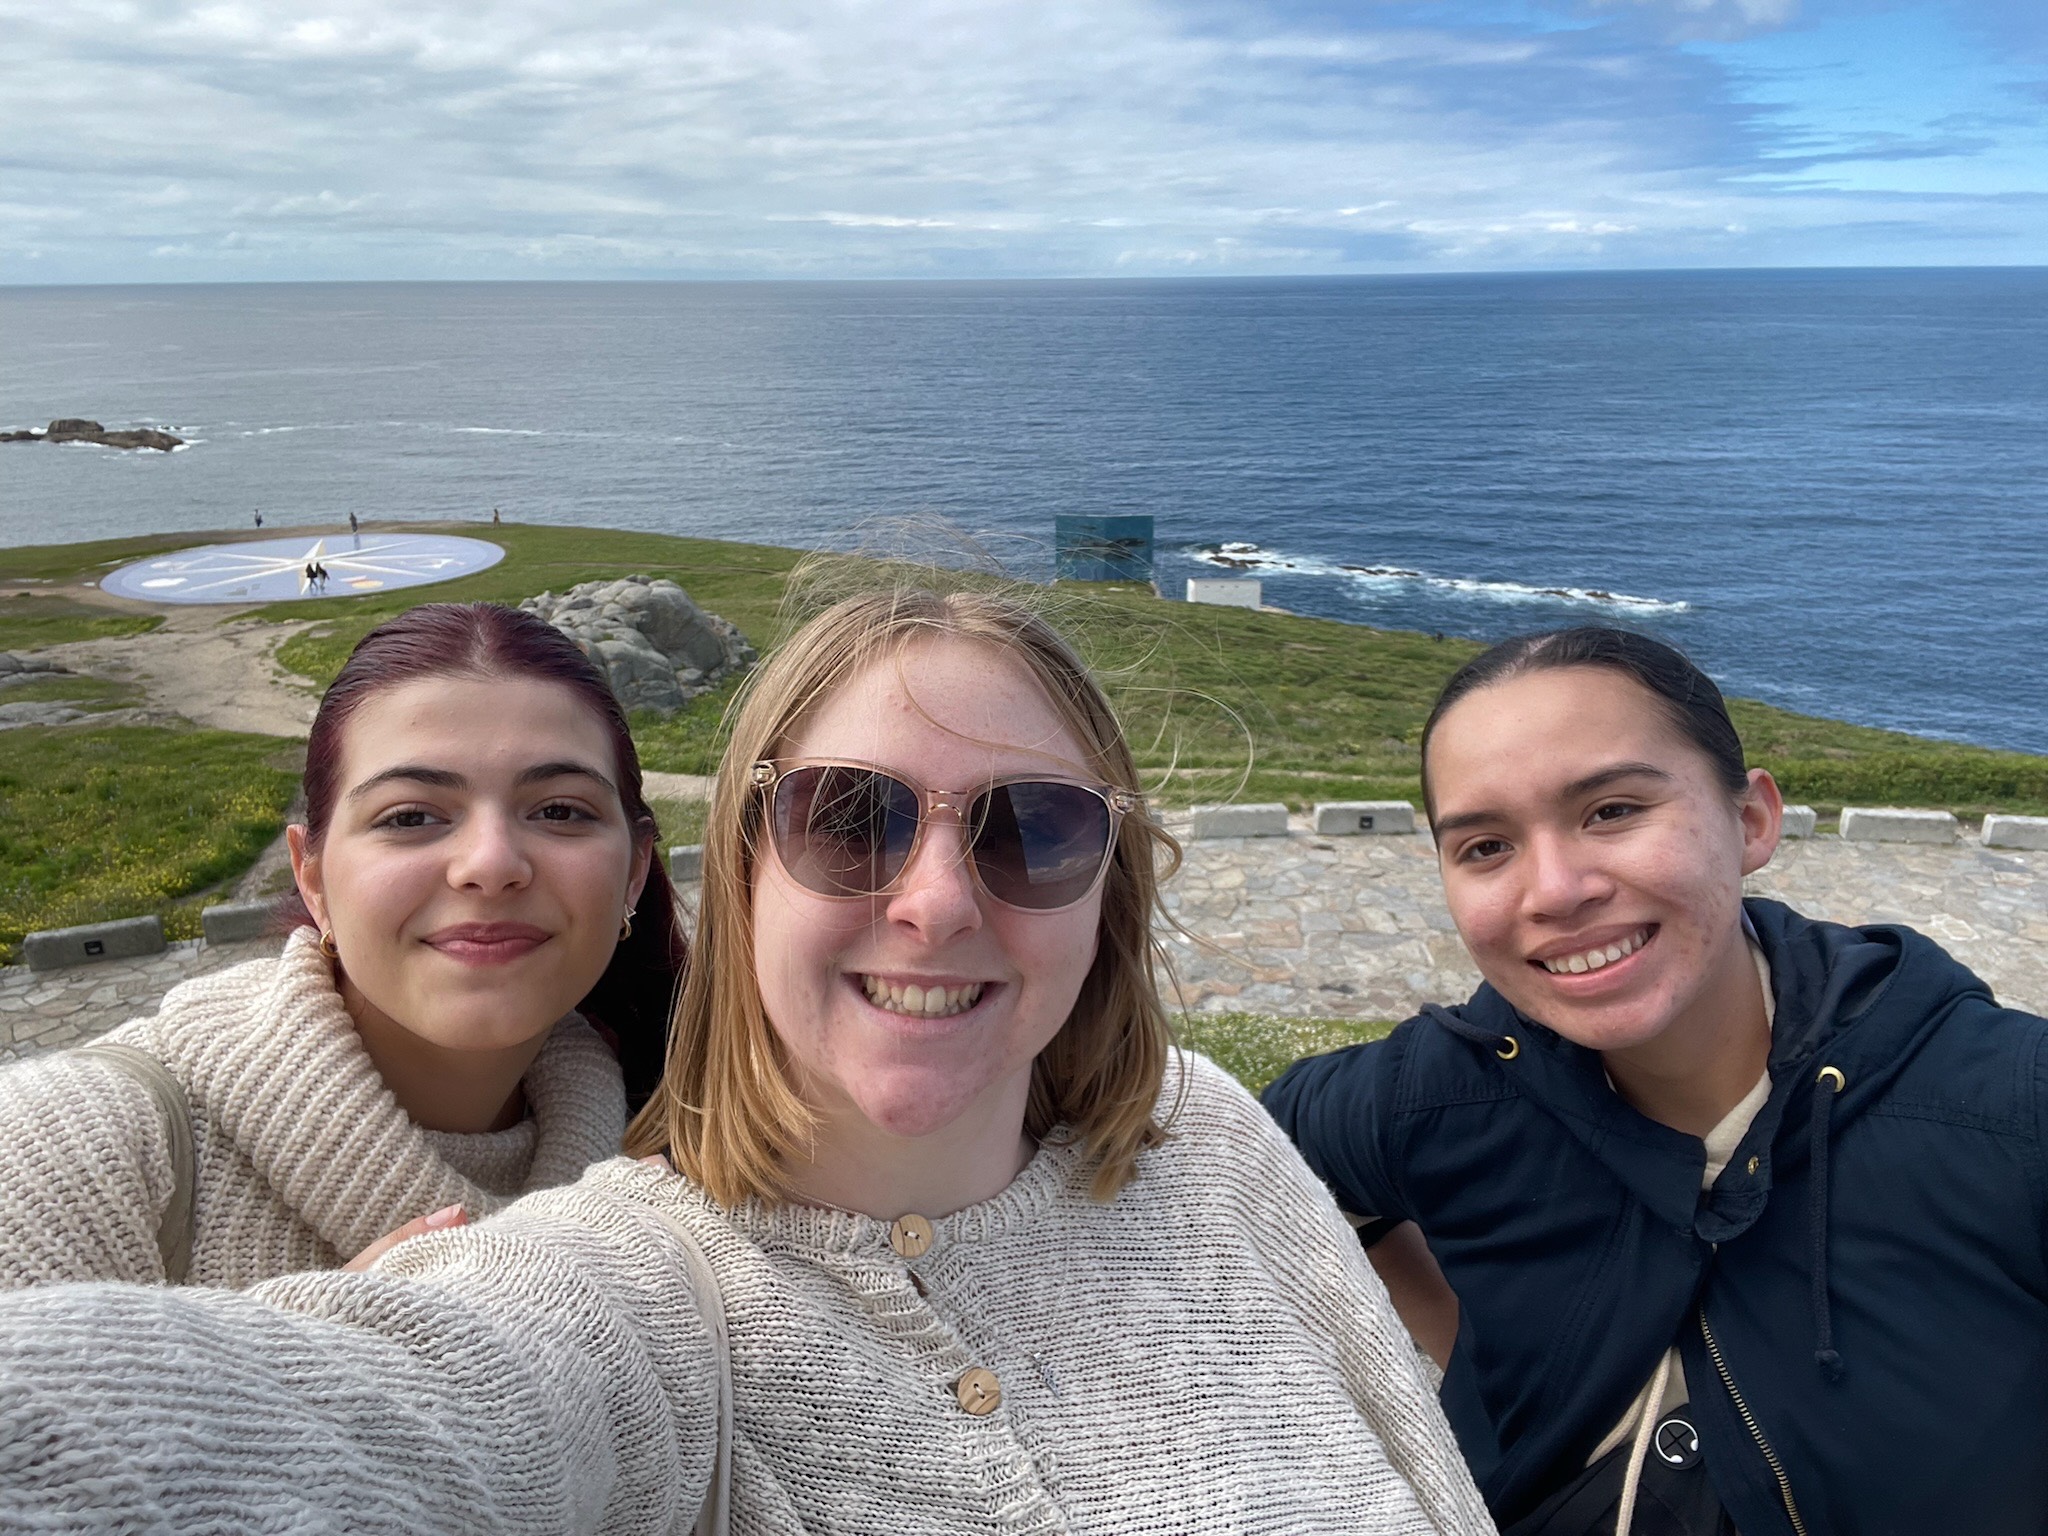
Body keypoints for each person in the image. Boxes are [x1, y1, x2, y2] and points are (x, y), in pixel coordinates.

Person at [0, 587, 1494, 1535]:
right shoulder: (641, 1280)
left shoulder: (1197, 1132)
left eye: (1032, 829)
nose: (935, 901)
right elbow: (409, 1410)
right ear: (741, 872)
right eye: (849, 819)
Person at [1263, 626, 2048, 1536]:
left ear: (1751, 821)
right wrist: (1445, 1349)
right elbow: (1266, 1153)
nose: (1553, 890)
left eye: (1612, 811)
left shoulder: (2007, 1109)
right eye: (1485, 846)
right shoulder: (1444, 1090)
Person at [0, 603, 685, 1289]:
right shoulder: (71, 1150)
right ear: (313, 876)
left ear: (633, 870)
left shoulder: (671, 1145)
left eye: (560, 810)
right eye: (411, 816)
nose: (490, 862)